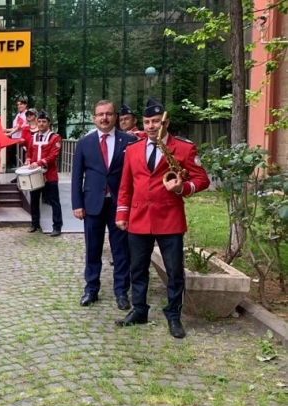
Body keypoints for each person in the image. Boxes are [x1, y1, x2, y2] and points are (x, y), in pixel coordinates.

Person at [115, 99, 210, 338]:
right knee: (137, 269)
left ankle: (174, 315)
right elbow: (125, 185)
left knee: (174, 271)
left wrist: (182, 188)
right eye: (147, 122)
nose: (150, 126)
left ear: (165, 122)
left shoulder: (185, 148)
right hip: (138, 217)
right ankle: (139, 310)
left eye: (156, 121)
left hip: (169, 218)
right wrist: (122, 213)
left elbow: (202, 179)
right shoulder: (133, 149)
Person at [71, 100, 137, 310]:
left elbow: (135, 175)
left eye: (108, 114)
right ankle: (91, 289)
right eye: (100, 114)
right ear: (94, 118)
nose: (104, 118)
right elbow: (76, 176)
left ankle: (121, 292)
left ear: (115, 116)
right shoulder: (85, 143)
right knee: (93, 248)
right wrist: (77, 204)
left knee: (121, 250)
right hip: (92, 204)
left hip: (120, 204)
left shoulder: (129, 141)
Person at [25, 110, 63, 236]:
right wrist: (28, 159)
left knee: (53, 201)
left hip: (49, 175)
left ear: (49, 123)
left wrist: (39, 162)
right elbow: (29, 153)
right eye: (39, 121)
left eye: (44, 122)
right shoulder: (33, 137)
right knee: (34, 200)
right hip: (35, 174)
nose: (41, 124)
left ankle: (57, 226)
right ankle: (34, 224)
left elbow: (53, 156)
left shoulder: (55, 137)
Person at [6, 98, 29, 182]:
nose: (19, 106)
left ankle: (22, 176)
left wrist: (9, 133)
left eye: (21, 104)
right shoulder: (18, 115)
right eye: (18, 104)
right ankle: (19, 176)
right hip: (16, 139)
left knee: (22, 159)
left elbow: (20, 127)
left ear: (25, 105)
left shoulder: (26, 114)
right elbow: (15, 127)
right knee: (17, 159)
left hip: (22, 139)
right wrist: (6, 130)